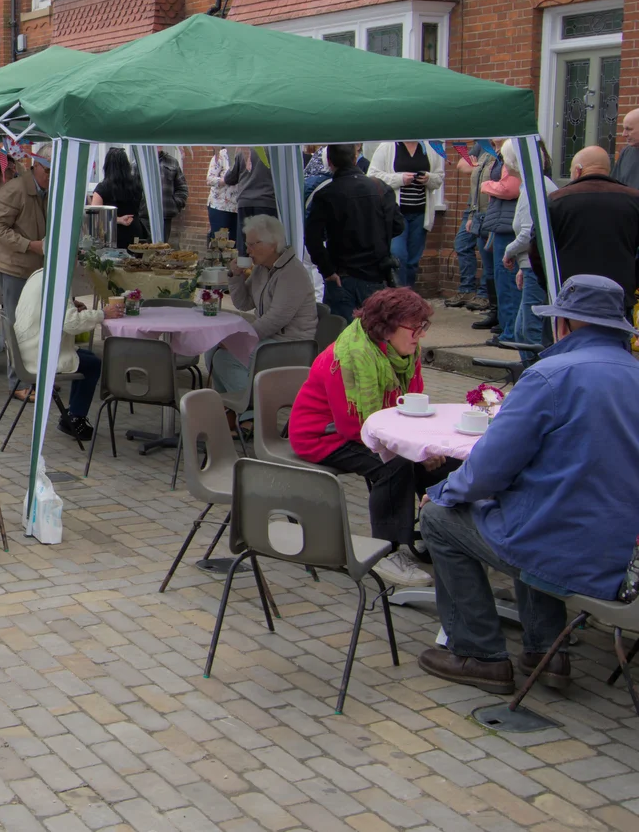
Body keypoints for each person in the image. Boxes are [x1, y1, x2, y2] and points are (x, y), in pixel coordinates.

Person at [418, 274, 639, 695]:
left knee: (438, 517)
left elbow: (487, 471)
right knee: (522, 514)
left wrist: (444, 490)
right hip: (617, 558)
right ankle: (546, 652)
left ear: (566, 324)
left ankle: (479, 654)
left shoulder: (550, 375)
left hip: (560, 549)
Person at [288, 288, 450, 587]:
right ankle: (386, 552)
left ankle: (438, 532)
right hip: (324, 436)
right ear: (386, 329)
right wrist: (414, 449)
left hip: (376, 428)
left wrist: (425, 445)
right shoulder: (347, 359)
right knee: (397, 464)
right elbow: (354, 428)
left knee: (445, 457)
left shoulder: (404, 352)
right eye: (414, 328)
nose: (419, 336)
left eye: (422, 327)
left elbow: (413, 401)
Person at [209, 215, 317, 414]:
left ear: (272, 244)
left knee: (226, 358)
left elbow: (276, 319)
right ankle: (232, 411)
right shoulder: (262, 268)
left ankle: (251, 415)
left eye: (252, 244)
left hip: (291, 345)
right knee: (212, 351)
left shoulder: (292, 273)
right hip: (269, 340)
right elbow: (244, 303)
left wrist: (239, 338)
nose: (247, 250)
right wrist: (235, 277)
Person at [304, 144, 404, 321]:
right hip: (375, 275)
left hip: (342, 276)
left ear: (329, 162)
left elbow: (313, 238)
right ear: (355, 157)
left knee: (342, 339)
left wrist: (327, 271)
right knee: (373, 337)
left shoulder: (326, 194)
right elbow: (398, 225)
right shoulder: (380, 188)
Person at [536, 144, 639, 302]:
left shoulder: (556, 201)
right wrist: (632, 281)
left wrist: (549, 283)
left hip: (570, 293)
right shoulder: (634, 200)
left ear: (578, 170)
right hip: (618, 294)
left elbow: (537, 247)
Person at [14, 270, 100, 441]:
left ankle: (73, 414)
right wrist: (102, 315)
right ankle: (76, 417)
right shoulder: (58, 277)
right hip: (38, 354)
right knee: (93, 364)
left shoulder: (39, 274)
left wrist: (73, 307)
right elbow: (71, 324)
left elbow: (55, 312)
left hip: (26, 349)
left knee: (87, 357)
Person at [0, 144, 51, 352]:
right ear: (36, 165)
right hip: (14, 268)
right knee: (18, 324)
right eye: (47, 170)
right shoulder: (15, 189)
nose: (51, 176)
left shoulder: (48, 190)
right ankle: (19, 381)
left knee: (37, 323)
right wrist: (29, 245)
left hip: (37, 268)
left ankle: (35, 377)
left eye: (55, 170)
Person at [501, 141, 557, 353]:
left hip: (535, 265)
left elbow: (528, 233)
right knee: (522, 330)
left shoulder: (534, 188)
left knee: (529, 331)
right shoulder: (534, 185)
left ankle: (535, 377)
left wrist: (509, 252)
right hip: (531, 265)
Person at [368, 141, 445, 288]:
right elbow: (372, 177)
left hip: (420, 213)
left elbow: (439, 179)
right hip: (396, 214)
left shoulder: (430, 148)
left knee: (413, 261)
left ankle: (409, 297)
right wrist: (400, 179)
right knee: (398, 256)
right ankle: (399, 297)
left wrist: (429, 178)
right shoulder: (388, 146)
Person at [477, 140, 521, 336]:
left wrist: (486, 185)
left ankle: (510, 332)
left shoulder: (513, 158)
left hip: (507, 225)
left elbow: (509, 189)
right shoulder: (496, 153)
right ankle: (506, 326)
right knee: (500, 279)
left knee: (508, 281)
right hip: (500, 222)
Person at [445, 141, 491, 309]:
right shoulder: (483, 143)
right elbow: (462, 165)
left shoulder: (507, 144)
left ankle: (485, 294)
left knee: (488, 250)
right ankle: (467, 289)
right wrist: (482, 169)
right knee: (462, 244)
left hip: (490, 206)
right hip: (473, 205)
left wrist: (479, 167)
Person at [89, 147, 148, 248]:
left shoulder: (102, 188)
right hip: (135, 230)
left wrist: (118, 219)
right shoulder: (137, 185)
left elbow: (95, 216)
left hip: (112, 234)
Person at [223, 148, 277, 255]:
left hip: (245, 202)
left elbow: (229, 178)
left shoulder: (243, 150)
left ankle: (244, 269)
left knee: (245, 243)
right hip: (266, 201)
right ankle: (262, 270)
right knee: (264, 243)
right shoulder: (274, 151)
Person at [206, 148, 241, 243]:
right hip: (220, 206)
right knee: (219, 242)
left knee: (235, 245)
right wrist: (226, 180)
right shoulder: (222, 155)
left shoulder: (246, 156)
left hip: (238, 207)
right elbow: (209, 179)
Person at [158, 148, 189, 232]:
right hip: (144, 217)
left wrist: (175, 203)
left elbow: (182, 187)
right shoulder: (140, 162)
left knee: (162, 244)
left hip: (165, 215)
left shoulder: (172, 162)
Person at [613, 109, 639, 191]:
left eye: (629, 129)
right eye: (624, 129)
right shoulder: (626, 152)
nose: (624, 134)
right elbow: (615, 186)